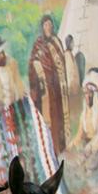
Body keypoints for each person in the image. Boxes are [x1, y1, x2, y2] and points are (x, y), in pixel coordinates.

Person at [28, 14, 71, 153]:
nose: (49, 27)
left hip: (59, 88)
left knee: (61, 119)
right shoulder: (38, 45)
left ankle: (64, 147)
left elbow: (62, 62)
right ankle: (53, 150)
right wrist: (39, 73)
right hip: (47, 92)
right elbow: (33, 64)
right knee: (51, 119)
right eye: (46, 25)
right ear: (42, 27)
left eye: (50, 24)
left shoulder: (57, 40)